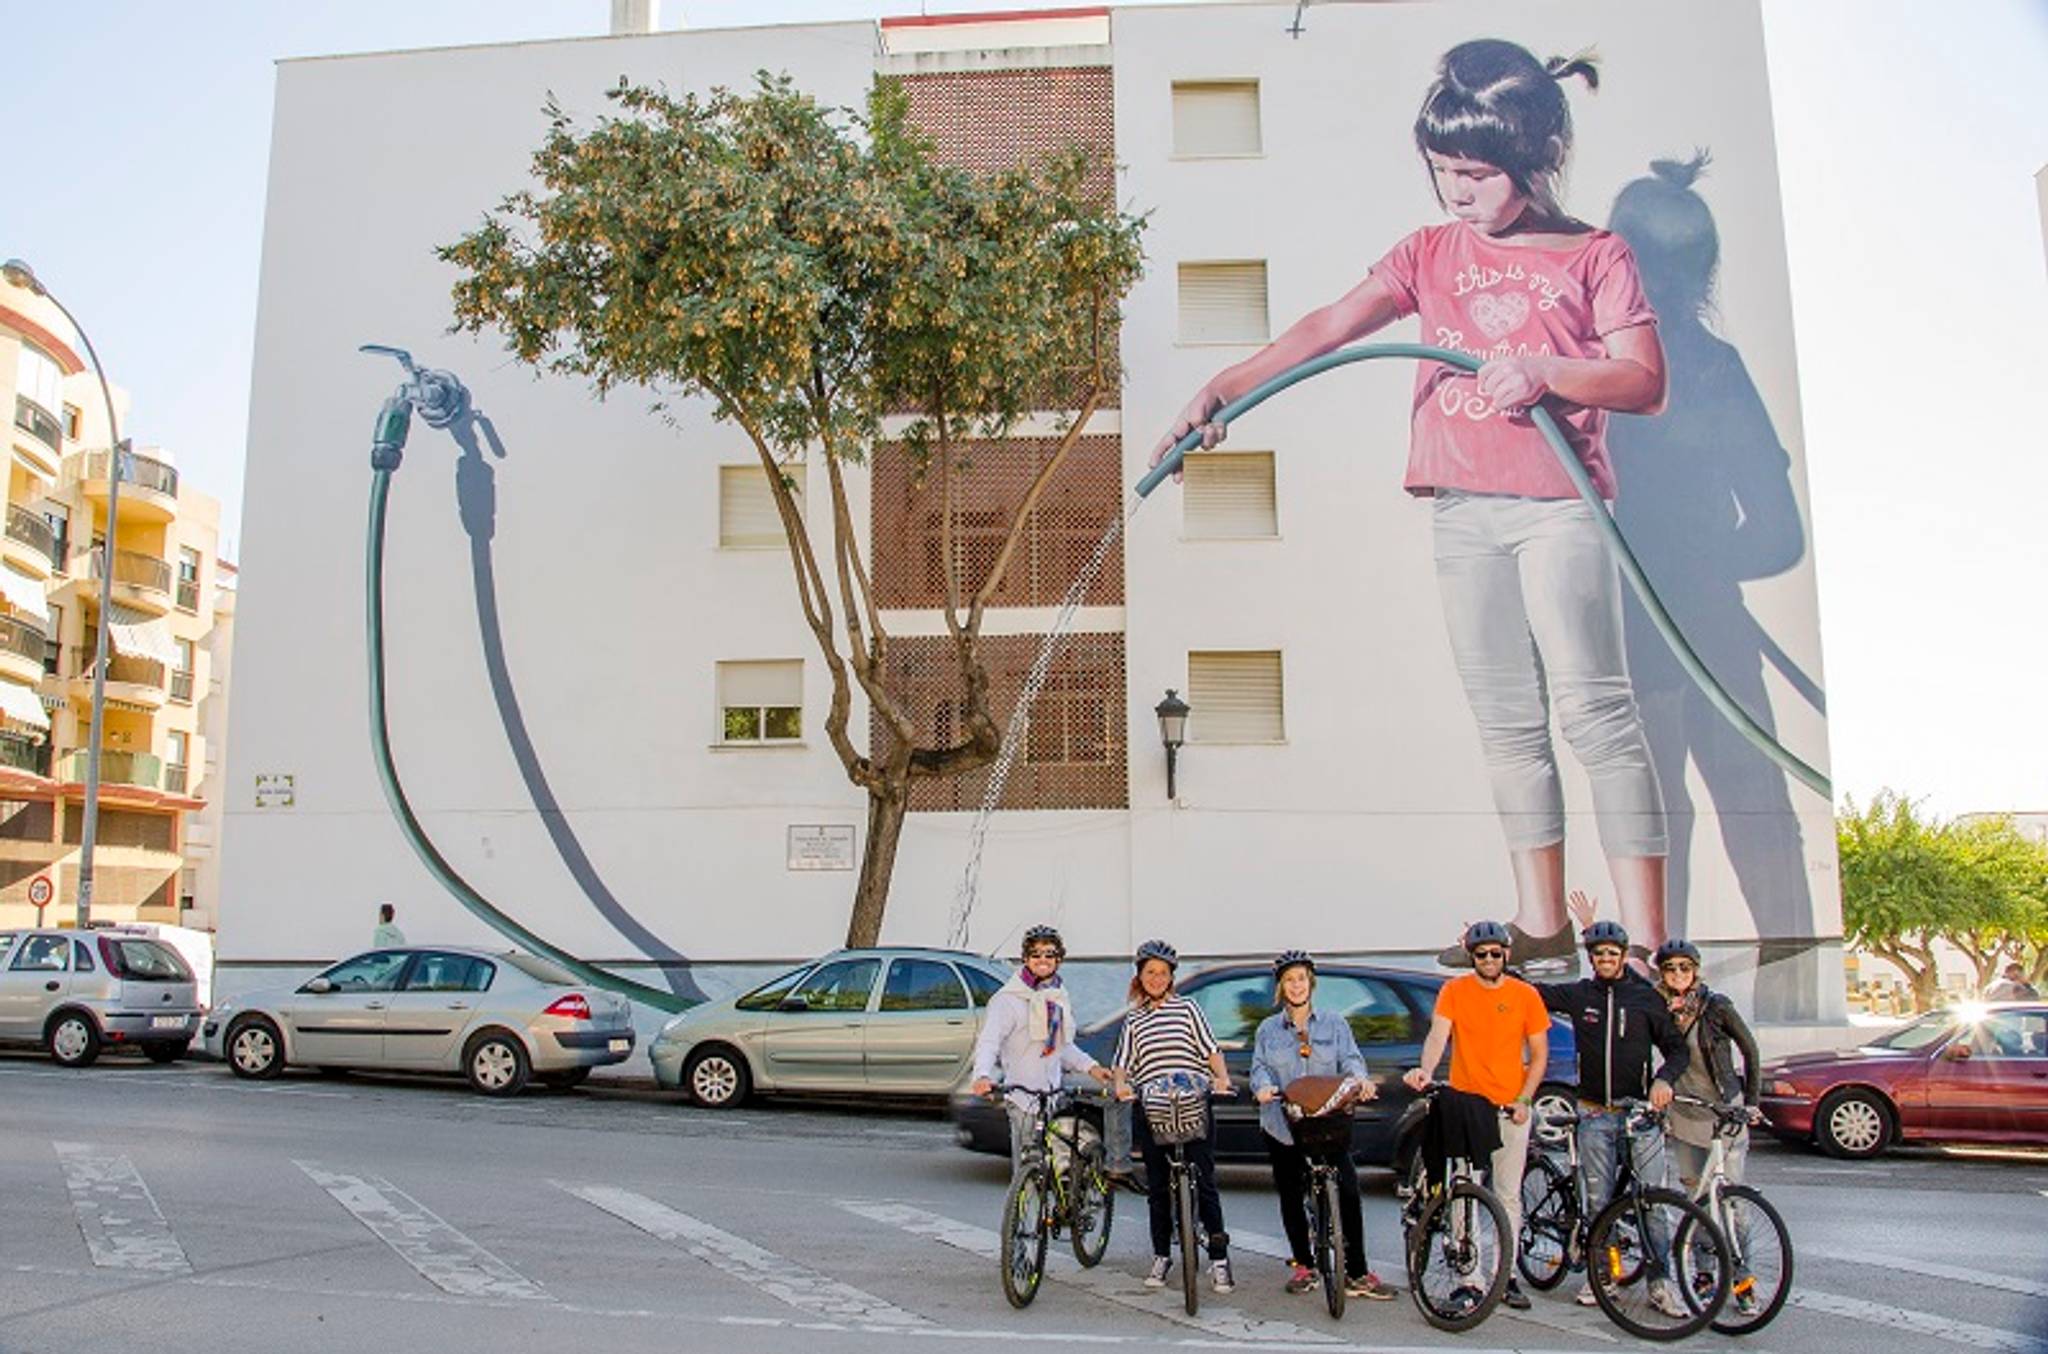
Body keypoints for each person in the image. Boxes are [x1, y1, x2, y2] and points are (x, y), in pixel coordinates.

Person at [1153, 39, 1671, 974]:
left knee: (1595, 714)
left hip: (1561, 509)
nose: (1457, 192)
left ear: (1534, 158)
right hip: (1462, 510)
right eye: (1442, 172)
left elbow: (1642, 380)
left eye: (1474, 174)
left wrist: (1546, 371)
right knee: (1507, 721)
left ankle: (1652, 944)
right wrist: (1226, 386)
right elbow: (1326, 328)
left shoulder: (1598, 254)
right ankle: (1542, 924)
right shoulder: (1431, 252)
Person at [1529, 915, 1689, 1314]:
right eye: (1598, 953)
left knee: (1651, 1202)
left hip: (1638, 1116)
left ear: (1622, 955)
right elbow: (1532, 992)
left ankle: (1660, 1283)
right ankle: (1603, 1277)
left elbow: (1677, 1049)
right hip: (1593, 1114)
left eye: (1612, 953)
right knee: (1598, 1204)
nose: (1605, 959)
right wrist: (1495, 960)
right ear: (1591, 957)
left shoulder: (1646, 998)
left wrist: (1664, 1079)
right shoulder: (1581, 994)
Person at [1402, 920, 1549, 1310]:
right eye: (1480, 954)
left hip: (1509, 1106)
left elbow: (1539, 1055)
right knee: (1464, 1192)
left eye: (1494, 953)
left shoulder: (1525, 995)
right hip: (1467, 1106)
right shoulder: (1454, 991)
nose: (1488, 960)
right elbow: (1438, 1036)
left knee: (1507, 1195)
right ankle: (1470, 1276)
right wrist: (1427, 1071)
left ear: (1506, 954)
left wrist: (1524, 1099)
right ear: (1471, 957)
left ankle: (1508, 1274)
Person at [1251, 950, 1397, 1301]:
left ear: (1311, 983)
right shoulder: (1268, 1030)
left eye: (1301, 978)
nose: (1296, 986)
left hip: (1328, 1123)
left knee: (1348, 1190)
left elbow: (1351, 1060)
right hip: (1285, 1124)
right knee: (1290, 1192)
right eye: (1289, 980)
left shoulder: (1335, 1024)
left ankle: (1358, 1272)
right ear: (1280, 987)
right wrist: (1262, 1089)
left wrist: (1360, 1081)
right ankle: (1304, 1263)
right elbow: (1260, 1068)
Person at [1112, 940, 1235, 1293]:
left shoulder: (1188, 1009)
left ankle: (1219, 1259)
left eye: (1163, 973)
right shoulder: (1134, 1019)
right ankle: (1162, 1255)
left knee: (1206, 1181)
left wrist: (1222, 1079)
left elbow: (1210, 1050)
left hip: (1193, 1100)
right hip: (1153, 1107)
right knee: (1158, 1189)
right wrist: (1121, 1086)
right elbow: (1122, 1062)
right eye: (1150, 972)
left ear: (1171, 978)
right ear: (1140, 976)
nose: (1156, 978)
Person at [1652, 937, 1764, 1318]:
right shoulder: (1660, 1008)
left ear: (1696, 970)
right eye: (1670, 968)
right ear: (1662, 974)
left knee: (1731, 1203)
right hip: (1685, 1113)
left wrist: (1750, 1103)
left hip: (1724, 1113)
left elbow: (1750, 1049)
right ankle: (1704, 1272)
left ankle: (1743, 1279)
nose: (1678, 974)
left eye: (1685, 967)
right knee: (1696, 1200)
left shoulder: (1717, 1007)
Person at [968, 925, 1125, 1182]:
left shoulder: (1057, 998)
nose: (1042, 960)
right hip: (1021, 1096)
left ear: (1058, 960)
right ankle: (1023, 1220)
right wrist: (982, 1075)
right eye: (1036, 954)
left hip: (1053, 1095)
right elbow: (989, 1041)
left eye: (1049, 954)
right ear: (1026, 959)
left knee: (1059, 1162)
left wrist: (1092, 1068)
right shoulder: (1008, 1000)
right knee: (1026, 1171)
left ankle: (1067, 1207)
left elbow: (1061, 1047)